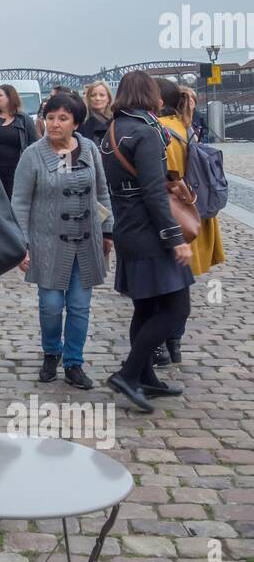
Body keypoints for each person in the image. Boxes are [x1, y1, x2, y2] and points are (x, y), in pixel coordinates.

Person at [101, 70, 193, 413]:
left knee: (146, 306)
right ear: (149, 95)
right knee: (176, 309)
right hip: (152, 233)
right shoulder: (146, 132)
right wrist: (175, 239)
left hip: (128, 228)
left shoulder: (112, 131)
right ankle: (127, 374)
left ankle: (146, 377)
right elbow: (154, 193)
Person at [12, 92, 113, 389]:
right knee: (51, 305)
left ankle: (73, 363)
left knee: (80, 306)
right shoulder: (33, 155)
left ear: (76, 123)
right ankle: (51, 351)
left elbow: (102, 193)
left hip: (86, 242)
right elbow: (19, 202)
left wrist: (108, 232)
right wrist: (22, 244)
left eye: (62, 118)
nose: (54, 123)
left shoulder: (90, 150)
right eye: (50, 117)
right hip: (47, 244)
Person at [153, 79, 225, 366]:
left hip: (172, 213)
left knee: (164, 284)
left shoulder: (160, 132)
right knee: (181, 283)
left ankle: (159, 344)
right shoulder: (187, 128)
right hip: (193, 212)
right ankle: (175, 342)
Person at [0, 83, 38, 199]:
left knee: (13, 201)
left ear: (10, 98)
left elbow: (33, 142)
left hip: (16, 170)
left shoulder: (24, 119)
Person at [78, 80, 113, 149]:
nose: (97, 98)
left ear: (108, 98)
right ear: (88, 98)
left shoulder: (116, 120)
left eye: (102, 95)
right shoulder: (82, 122)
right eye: (93, 95)